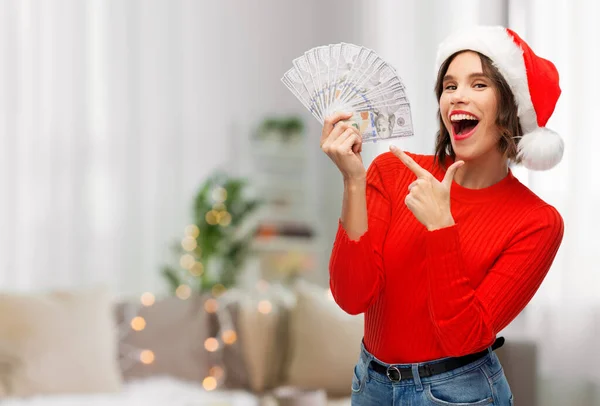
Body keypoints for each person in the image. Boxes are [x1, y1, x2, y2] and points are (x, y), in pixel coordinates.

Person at [320, 26, 564, 405]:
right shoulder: (391, 171)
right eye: (449, 86)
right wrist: (354, 181)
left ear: (511, 107)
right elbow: (352, 297)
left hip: (460, 393)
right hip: (371, 385)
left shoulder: (537, 222)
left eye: (479, 84)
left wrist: (441, 227)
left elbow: (464, 337)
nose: (457, 97)